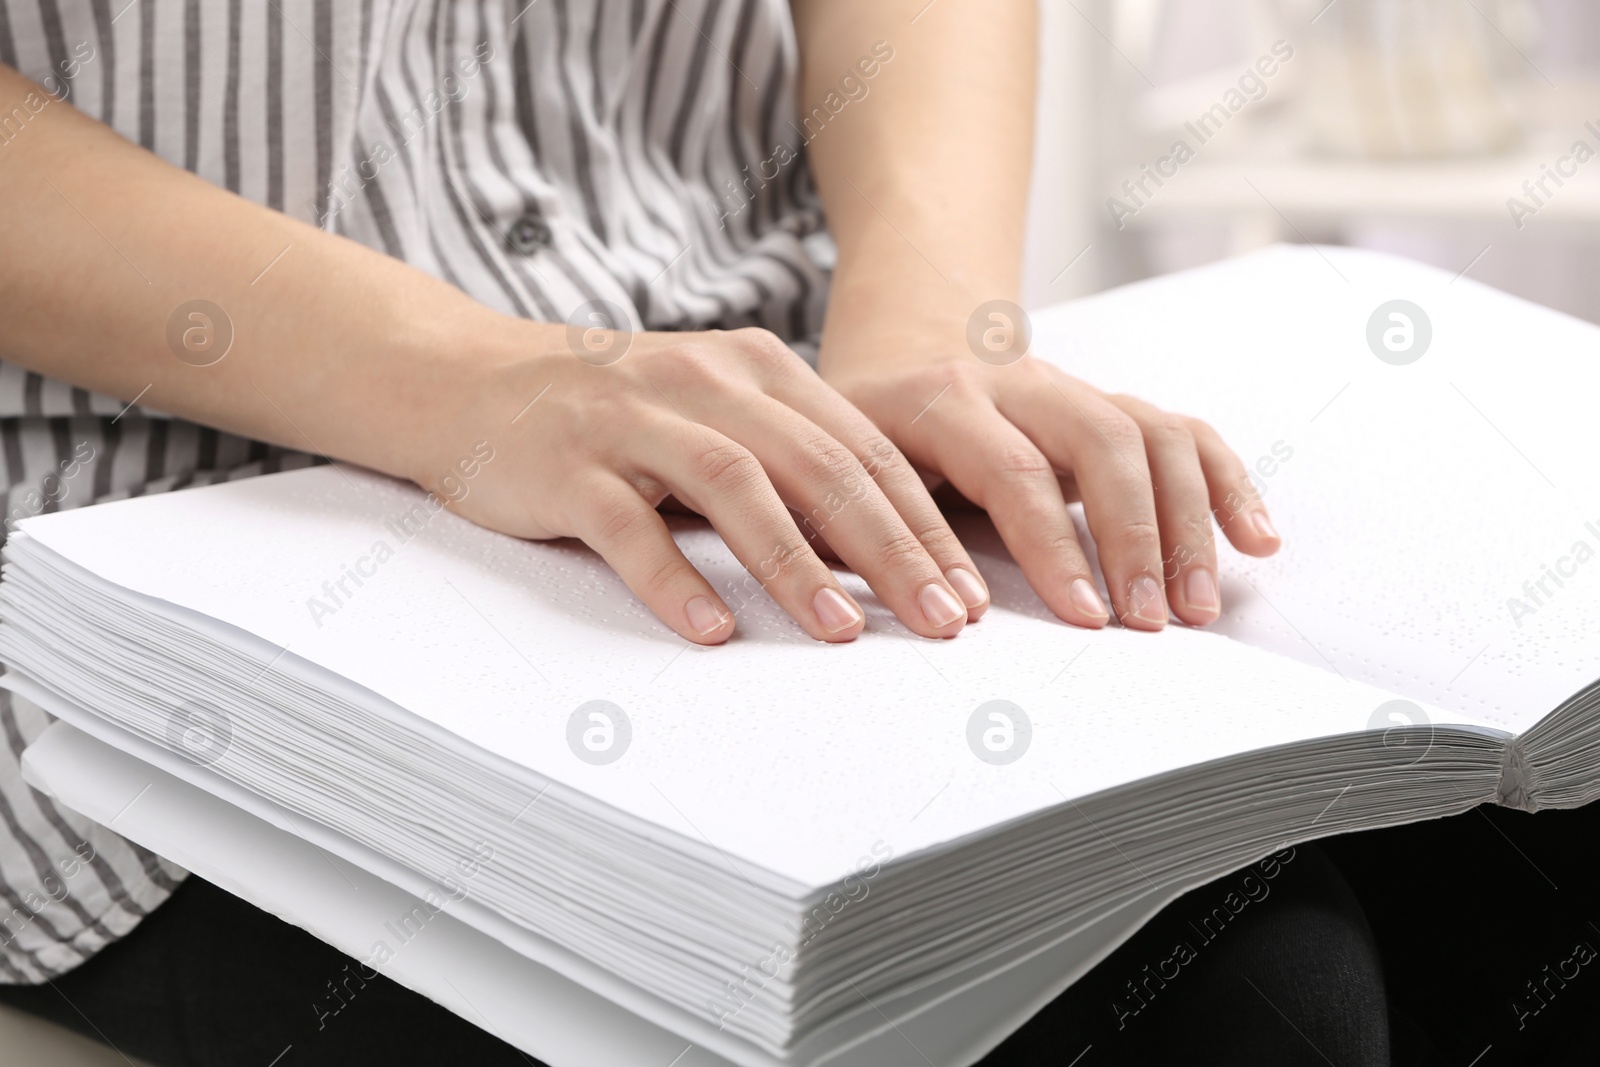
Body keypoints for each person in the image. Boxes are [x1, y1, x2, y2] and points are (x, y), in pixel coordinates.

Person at [0, 2, 1371, 1063]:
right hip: (147, 509)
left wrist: (922, 331)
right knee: (1243, 1007)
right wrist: (473, 382)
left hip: (773, 367)